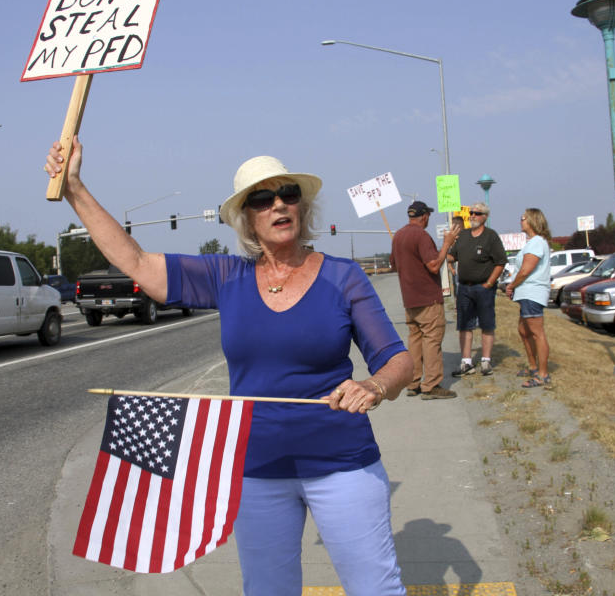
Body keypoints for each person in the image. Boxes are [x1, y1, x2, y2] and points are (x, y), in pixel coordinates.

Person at [44, 139, 413, 596]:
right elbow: (136, 262)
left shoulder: (343, 277)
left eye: (288, 194)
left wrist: (374, 386)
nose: (278, 204)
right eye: (263, 198)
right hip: (256, 471)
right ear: (246, 217)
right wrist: (75, 188)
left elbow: (399, 361)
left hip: (342, 466)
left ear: (302, 206)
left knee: (374, 589)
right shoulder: (227, 276)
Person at [390, 201, 461, 399]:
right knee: (432, 340)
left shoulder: (399, 235)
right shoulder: (421, 235)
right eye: (428, 215)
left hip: (409, 299)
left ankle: (413, 383)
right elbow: (433, 265)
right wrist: (447, 244)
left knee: (415, 340)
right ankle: (431, 385)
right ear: (424, 216)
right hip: (427, 298)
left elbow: (393, 265)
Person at [446, 202, 507, 377]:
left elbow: (500, 262)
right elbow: (452, 256)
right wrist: (444, 250)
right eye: (471, 213)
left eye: (477, 213)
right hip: (464, 288)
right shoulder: (464, 235)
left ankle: (486, 361)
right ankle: (466, 362)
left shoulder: (491, 236)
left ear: (485, 217)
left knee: (487, 324)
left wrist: (489, 283)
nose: (472, 215)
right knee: (464, 325)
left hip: (484, 288)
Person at [505, 208, 552, 388]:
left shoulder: (538, 242)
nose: (520, 221)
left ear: (533, 220)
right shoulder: (531, 242)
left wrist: (511, 285)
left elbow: (526, 270)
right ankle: (533, 366)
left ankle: (543, 373)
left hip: (533, 293)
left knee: (536, 333)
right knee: (523, 330)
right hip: (525, 294)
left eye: (523, 218)